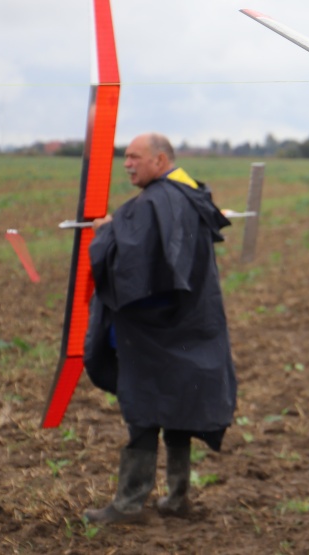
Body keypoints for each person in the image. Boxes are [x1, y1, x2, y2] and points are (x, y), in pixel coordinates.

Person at [85, 133, 237, 524]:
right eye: (125, 157)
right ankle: (176, 498)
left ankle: (129, 504)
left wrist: (105, 233)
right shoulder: (191, 194)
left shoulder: (152, 203)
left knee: (144, 408)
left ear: (160, 160)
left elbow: (128, 265)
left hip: (152, 332)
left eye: (134, 157)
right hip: (189, 324)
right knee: (177, 406)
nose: (127, 164)